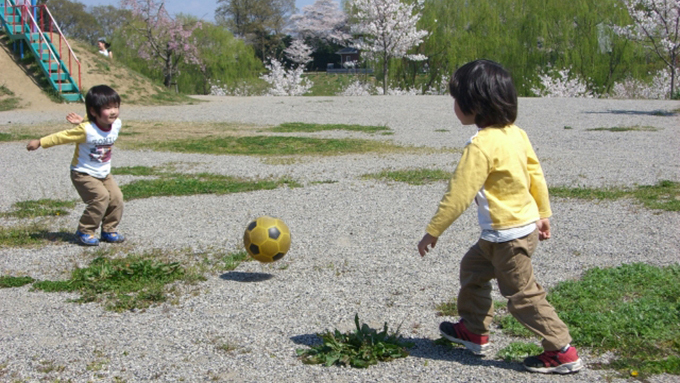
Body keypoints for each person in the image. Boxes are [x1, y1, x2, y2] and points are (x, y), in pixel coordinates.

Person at [417, 60, 583, 374]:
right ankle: (474, 330)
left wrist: (433, 231)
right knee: (473, 268)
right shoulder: (516, 134)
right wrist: (543, 214)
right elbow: (536, 175)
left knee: (522, 295)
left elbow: (459, 193)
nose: (453, 106)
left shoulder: (481, 146)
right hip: (511, 233)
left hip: (508, 237)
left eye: (456, 99)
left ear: (474, 105)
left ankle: (561, 349)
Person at [26, 85, 125, 246]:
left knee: (116, 198)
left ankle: (109, 230)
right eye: (107, 108)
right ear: (94, 111)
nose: (113, 111)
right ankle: (85, 231)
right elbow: (62, 137)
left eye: (116, 106)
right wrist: (40, 142)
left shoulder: (117, 124)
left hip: (104, 173)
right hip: (83, 173)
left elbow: (95, 122)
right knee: (100, 197)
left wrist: (83, 120)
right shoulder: (86, 130)